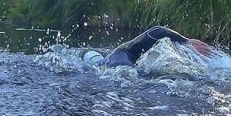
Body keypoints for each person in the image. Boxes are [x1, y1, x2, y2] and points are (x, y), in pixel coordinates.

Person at [83, 26, 211, 67]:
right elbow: (158, 30)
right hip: (124, 65)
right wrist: (186, 41)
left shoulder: (103, 65)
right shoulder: (122, 50)